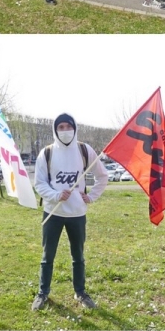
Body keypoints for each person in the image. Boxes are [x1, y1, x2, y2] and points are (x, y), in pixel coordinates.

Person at [32, 113, 108, 311]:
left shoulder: (85, 150)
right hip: (53, 213)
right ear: (55, 130)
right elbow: (39, 183)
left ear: (74, 128)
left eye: (68, 126)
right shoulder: (46, 153)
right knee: (47, 256)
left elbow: (102, 176)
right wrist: (56, 195)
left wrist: (91, 197)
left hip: (77, 214)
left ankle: (80, 292)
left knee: (78, 256)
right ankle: (43, 293)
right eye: (61, 127)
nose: (65, 131)